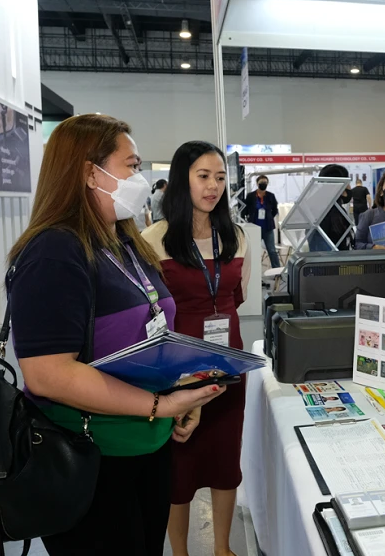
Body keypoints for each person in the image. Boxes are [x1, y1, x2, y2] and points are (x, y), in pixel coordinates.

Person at [7, 114, 224, 555]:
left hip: (148, 445)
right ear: (91, 173)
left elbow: (145, 336)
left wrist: (180, 393)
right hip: (90, 458)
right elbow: (48, 374)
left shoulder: (124, 242)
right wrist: (159, 405)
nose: (140, 179)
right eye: (131, 166)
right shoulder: (54, 252)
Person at [142, 141, 250, 556]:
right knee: (180, 468)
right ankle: (181, 551)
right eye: (203, 176)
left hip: (228, 364)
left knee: (226, 460)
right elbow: (150, 310)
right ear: (181, 180)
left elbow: (236, 298)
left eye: (220, 178)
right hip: (178, 368)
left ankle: (223, 547)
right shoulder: (154, 240)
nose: (213, 186)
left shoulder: (236, 237)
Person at [308, 164, 354, 251]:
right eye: (347, 183)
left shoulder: (336, 211)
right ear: (338, 186)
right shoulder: (325, 215)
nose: (349, 187)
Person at [240, 174, 280, 268]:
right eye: (261, 182)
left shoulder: (271, 196)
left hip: (267, 228)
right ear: (257, 183)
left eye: (265, 182)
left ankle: (277, 271)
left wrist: (269, 217)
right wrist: (246, 220)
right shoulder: (251, 196)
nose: (263, 184)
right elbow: (245, 209)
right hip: (254, 228)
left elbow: (275, 210)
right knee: (254, 250)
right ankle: (253, 271)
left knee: (272, 250)